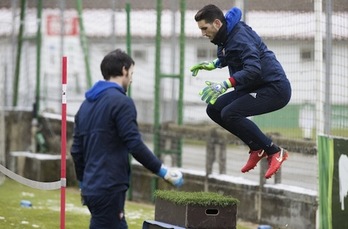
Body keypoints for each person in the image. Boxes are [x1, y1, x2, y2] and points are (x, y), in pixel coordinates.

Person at [71, 49, 183, 229]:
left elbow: (76, 151)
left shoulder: (85, 106)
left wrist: (84, 183)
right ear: (124, 70)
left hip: (93, 187)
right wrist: (163, 171)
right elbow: (134, 144)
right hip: (109, 185)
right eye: (131, 74)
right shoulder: (122, 102)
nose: (131, 79)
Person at [190, 5, 292, 179]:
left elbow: (253, 68)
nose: (203, 34)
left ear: (216, 23)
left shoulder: (238, 37)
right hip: (254, 86)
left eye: (204, 29)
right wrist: (214, 64)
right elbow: (230, 54)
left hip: (274, 88)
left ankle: (274, 151)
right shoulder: (224, 35)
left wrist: (225, 84)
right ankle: (257, 148)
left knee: (230, 113)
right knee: (213, 108)